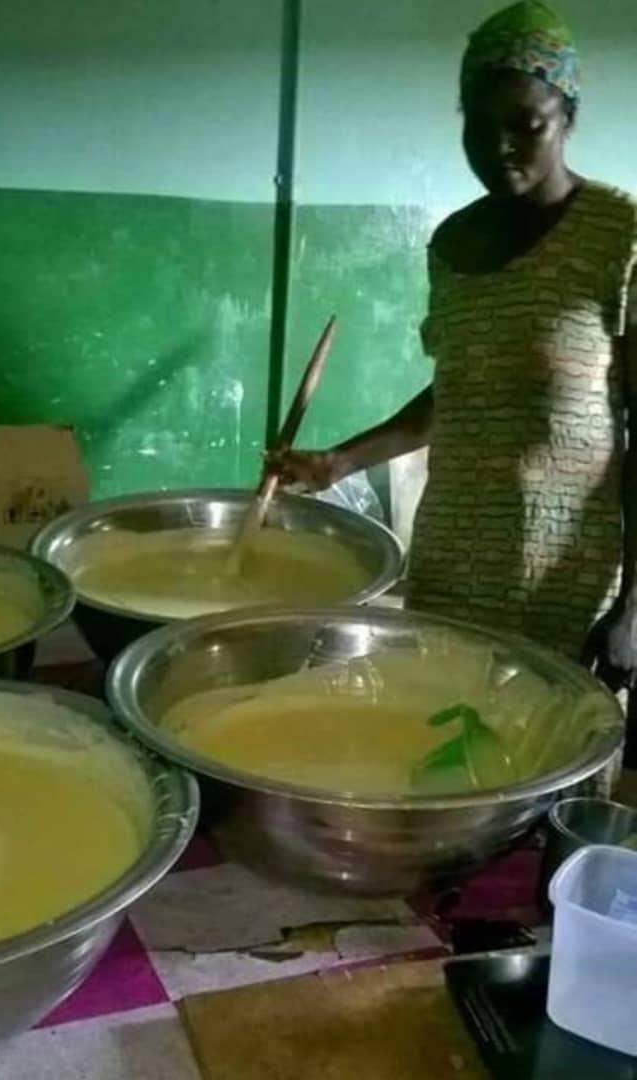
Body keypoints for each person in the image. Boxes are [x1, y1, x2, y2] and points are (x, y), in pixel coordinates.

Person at [272, 1, 637, 693]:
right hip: (449, 561)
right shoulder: (451, 243)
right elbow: (460, 391)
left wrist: (635, 609)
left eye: (524, 125)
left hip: (560, 571)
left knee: (541, 759)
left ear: (567, 121)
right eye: (479, 123)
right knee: (438, 739)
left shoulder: (618, 235)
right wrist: (337, 461)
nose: (498, 145)